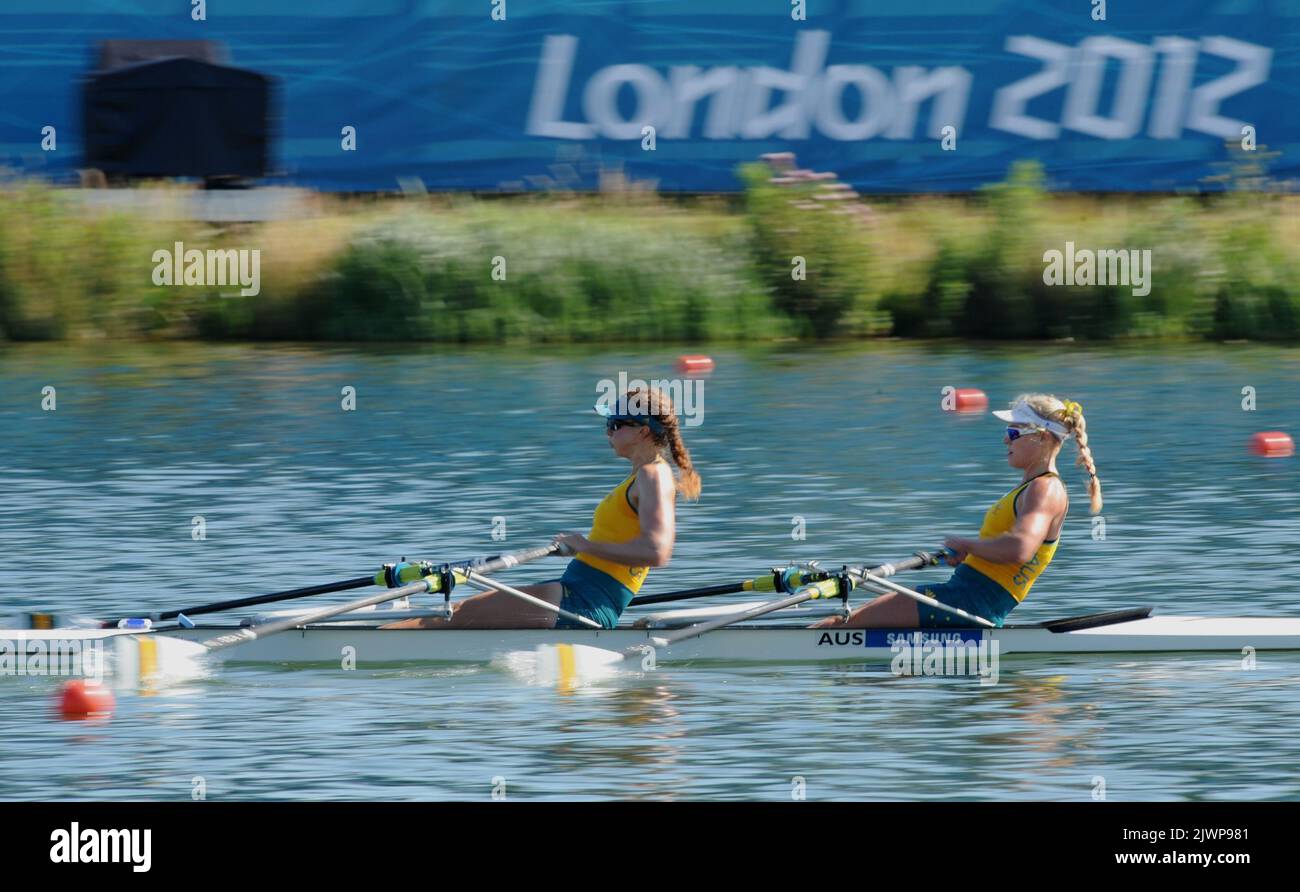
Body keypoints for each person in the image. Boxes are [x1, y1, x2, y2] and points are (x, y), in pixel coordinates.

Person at [385, 387, 700, 629]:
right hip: (576, 591)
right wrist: (581, 548)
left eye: (615, 424)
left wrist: (586, 546)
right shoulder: (641, 476)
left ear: (643, 430)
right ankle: (386, 634)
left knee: (452, 616)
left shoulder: (653, 475)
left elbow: (657, 552)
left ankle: (378, 638)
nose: (608, 432)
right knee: (459, 613)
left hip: (585, 603)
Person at [814, 394, 1101, 629]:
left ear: (1040, 437)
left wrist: (967, 544)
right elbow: (1007, 550)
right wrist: (973, 553)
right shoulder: (1032, 488)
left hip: (969, 603)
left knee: (840, 626)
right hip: (965, 597)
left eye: (1013, 432)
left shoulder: (1045, 490)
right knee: (854, 625)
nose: (1005, 440)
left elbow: (1021, 549)